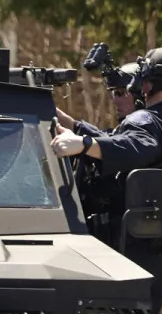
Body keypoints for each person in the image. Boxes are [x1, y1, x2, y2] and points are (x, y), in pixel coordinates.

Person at [50, 47, 162, 306]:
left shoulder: (149, 121)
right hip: (158, 249)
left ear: (148, 84)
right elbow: (119, 140)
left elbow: (135, 146)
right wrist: (71, 125)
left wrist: (85, 145)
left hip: (123, 254)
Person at [55, 62, 140, 248]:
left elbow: (114, 146)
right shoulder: (120, 135)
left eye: (121, 93)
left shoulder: (143, 142)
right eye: (113, 93)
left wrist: (83, 142)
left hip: (125, 246)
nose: (115, 100)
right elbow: (101, 138)